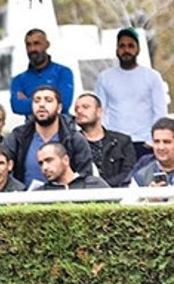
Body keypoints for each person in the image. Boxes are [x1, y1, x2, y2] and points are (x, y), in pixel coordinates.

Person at [94, 27, 169, 158]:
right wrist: (106, 140)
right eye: (122, 46)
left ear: (138, 49)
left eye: (130, 46)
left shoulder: (152, 76)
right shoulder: (105, 77)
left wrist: (153, 141)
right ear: (117, 50)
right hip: (116, 143)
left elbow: (160, 111)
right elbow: (100, 112)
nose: (126, 50)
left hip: (145, 143)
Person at [1, 86, 93, 186]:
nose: (41, 105)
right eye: (36, 101)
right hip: (25, 199)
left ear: (59, 108)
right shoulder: (18, 137)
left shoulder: (74, 139)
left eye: (48, 100)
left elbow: (85, 177)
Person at [73, 92, 136, 187]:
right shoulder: (71, 144)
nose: (80, 111)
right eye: (76, 109)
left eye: (85, 107)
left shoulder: (122, 141)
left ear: (99, 112)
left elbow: (129, 173)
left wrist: (103, 186)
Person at [10, 29, 74, 117]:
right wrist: (51, 100)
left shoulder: (63, 72)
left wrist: (29, 101)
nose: (32, 49)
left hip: (62, 127)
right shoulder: (18, 80)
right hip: (32, 129)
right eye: (28, 45)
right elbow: (17, 107)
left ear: (47, 45)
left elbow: (64, 104)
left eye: (37, 43)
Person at [31, 142, 109, 191]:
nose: (44, 167)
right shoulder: (40, 194)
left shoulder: (94, 184)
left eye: (49, 160)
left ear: (65, 160)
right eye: (41, 163)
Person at [131, 117, 174, 187]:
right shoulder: (141, 173)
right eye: (156, 142)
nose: (161, 147)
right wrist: (149, 196)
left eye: (167, 142)